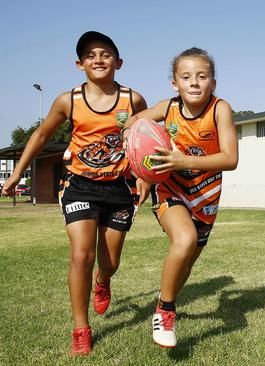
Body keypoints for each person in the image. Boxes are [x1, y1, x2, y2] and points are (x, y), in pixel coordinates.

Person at [1, 31, 148, 355]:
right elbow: (41, 135)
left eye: (105, 53)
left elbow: (143, 140)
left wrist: (145, 176)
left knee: (109, 262)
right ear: (79, 64)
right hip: (80, 184)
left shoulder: (133, 100)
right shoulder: (67, 101)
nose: (98, 59)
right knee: (82, 254)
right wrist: (16, 172)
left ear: (118, 62)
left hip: (119, 188)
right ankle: (81, 327)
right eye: (91, 55)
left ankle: (103, 280)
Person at [123, 47, 238, 347]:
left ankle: (166, 298)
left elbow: (231, 158)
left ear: (213, 83)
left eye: (202, 76)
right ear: (175, 83)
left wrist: (184, 161)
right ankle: (165, 312)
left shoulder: (220, 109)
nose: (194, 82)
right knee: (183, 239)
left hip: (206, 196)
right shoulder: (168, 107)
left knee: (186, 264)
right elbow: (131, 123)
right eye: (186, 77)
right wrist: (137, 155)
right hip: (170, 188)